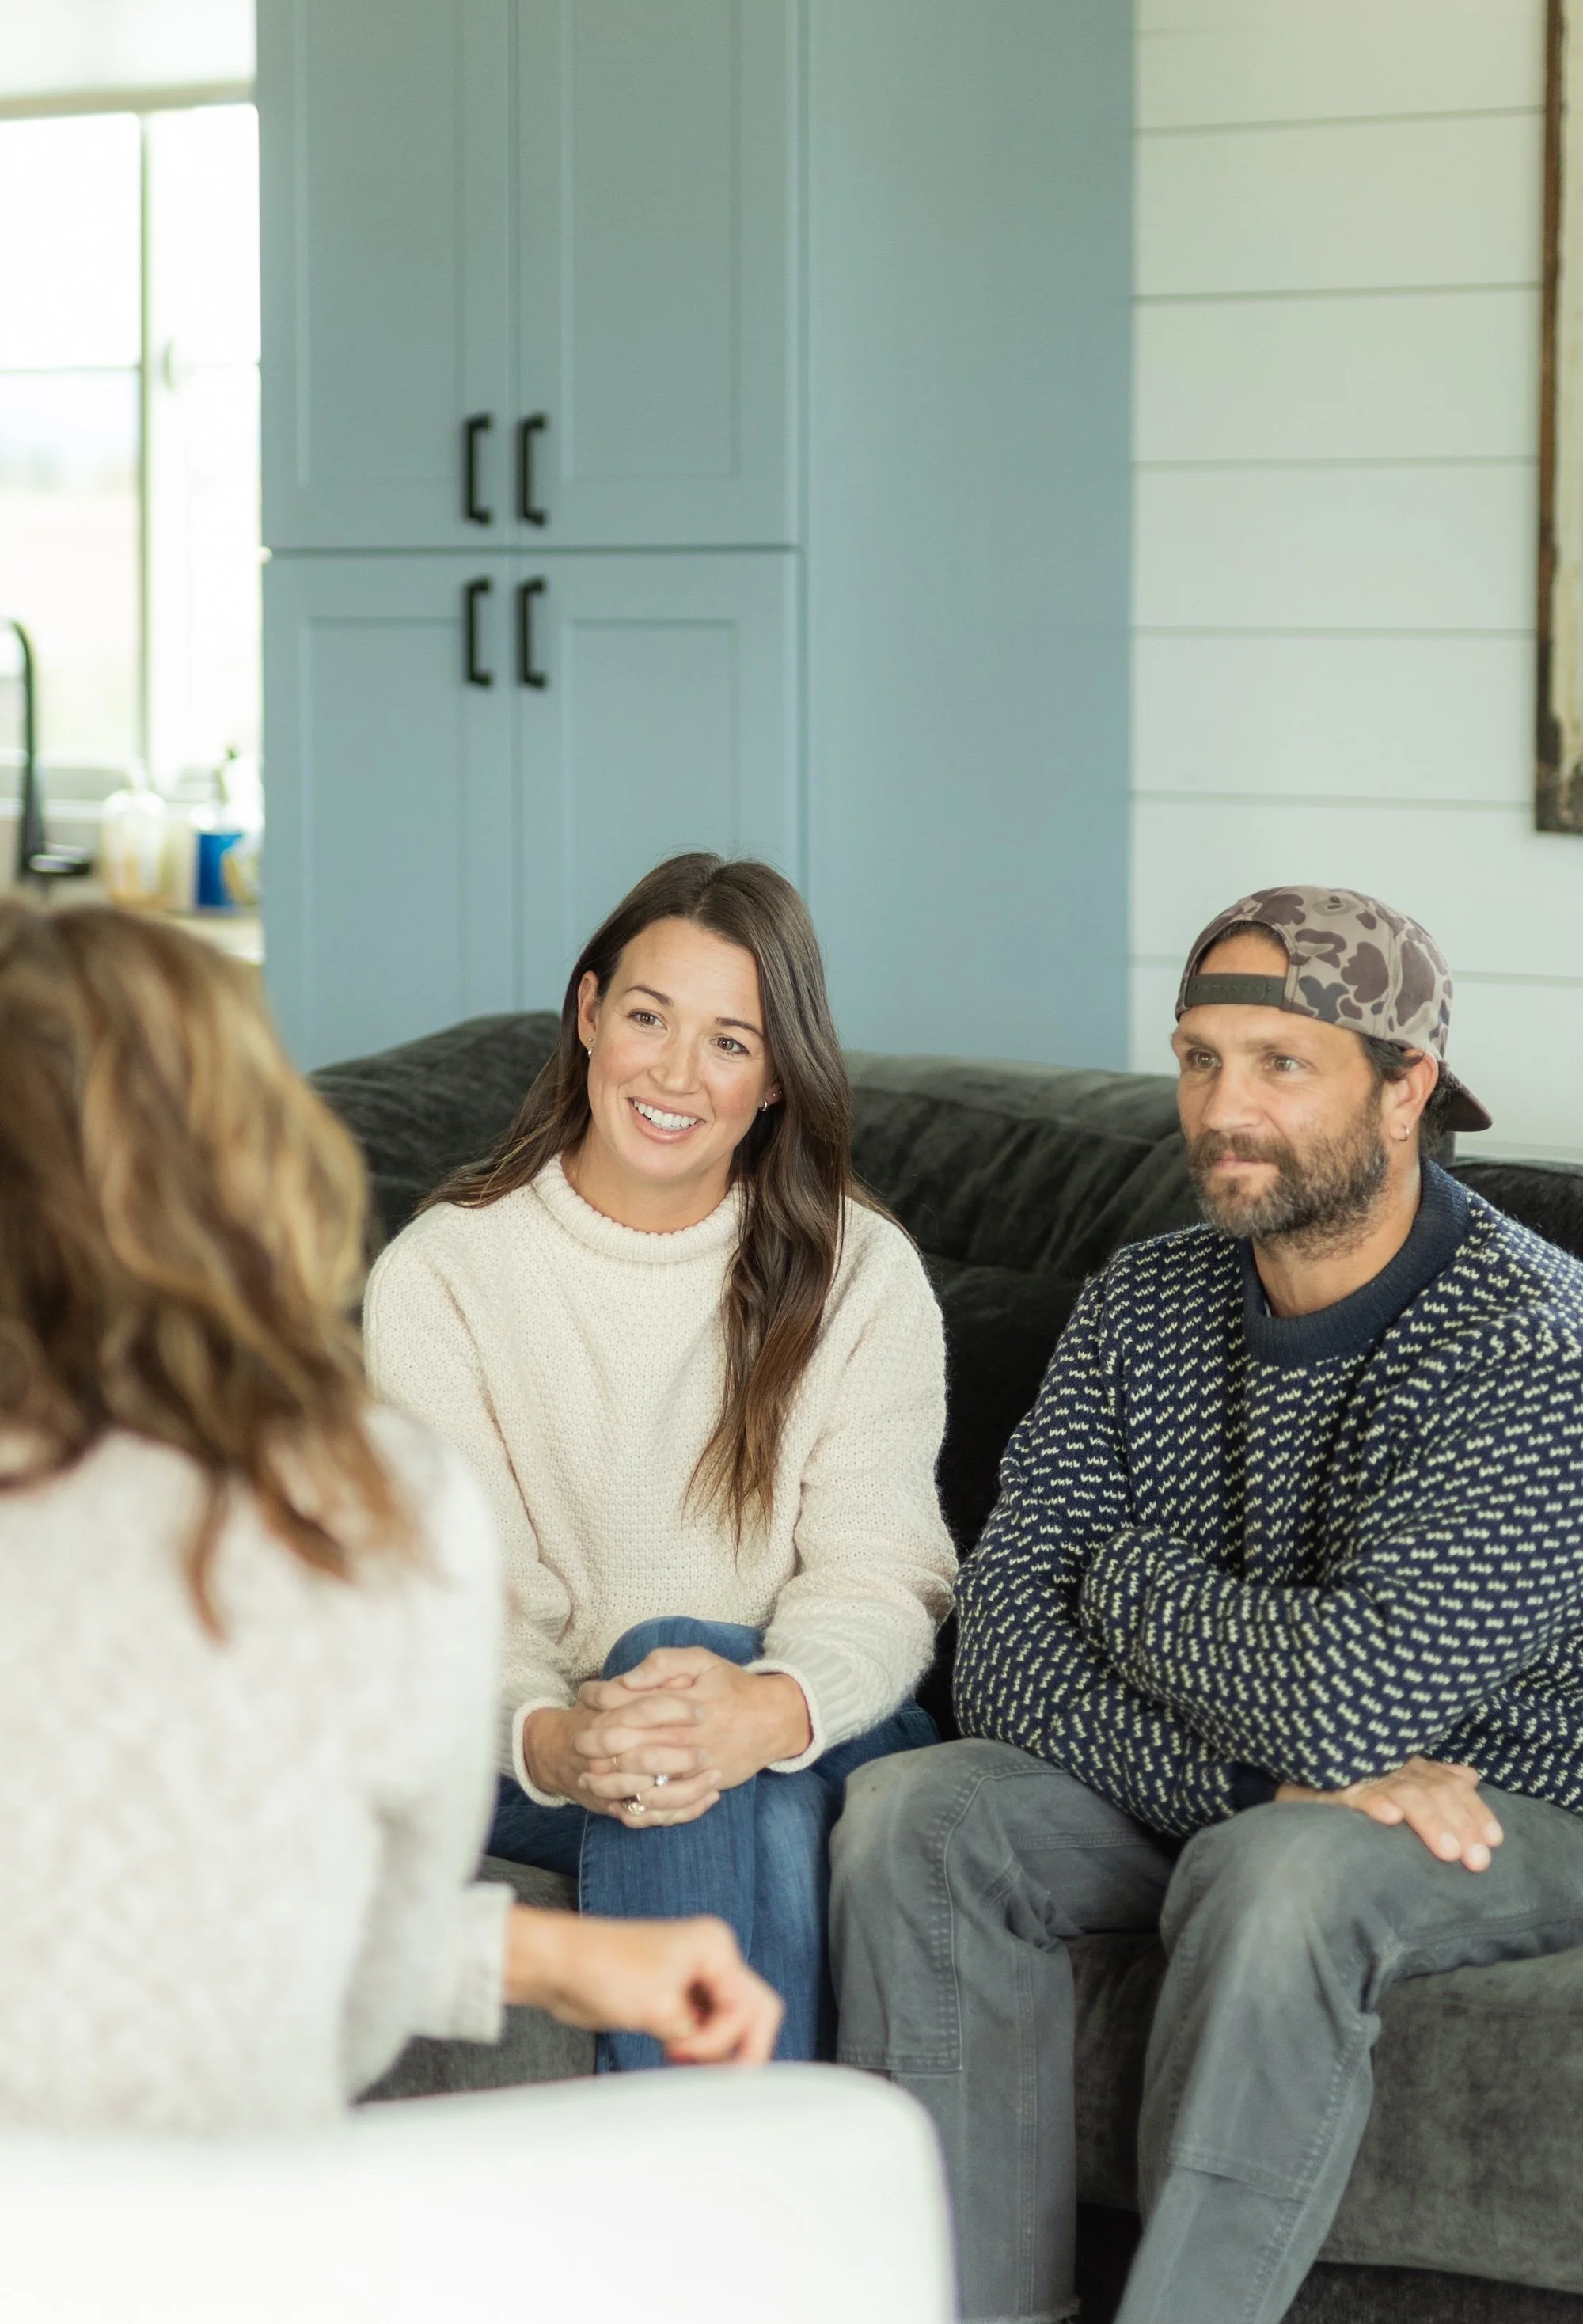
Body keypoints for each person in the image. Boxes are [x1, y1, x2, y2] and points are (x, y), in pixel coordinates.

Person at [829, 887, 1583, 2324]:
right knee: (919, 1812)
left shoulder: (1536, 1349)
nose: (1224, 1109)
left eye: (1281, 1065)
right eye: (1198, 1059)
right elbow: (995, 1655)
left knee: (1284, 1871)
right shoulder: (1142, 1300)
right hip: (1264, 1788)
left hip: (1514, 1815)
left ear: (1408, 1087)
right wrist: (1251, 1774)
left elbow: (1354, 1700)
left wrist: (1116, 1578)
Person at [0, 901, 779, 2133]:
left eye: (732, 1040)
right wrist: (546, 1954)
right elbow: (320, 1973)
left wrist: (555, 1958)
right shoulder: (372, 1500)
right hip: (224, 2226)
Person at [364, 852, 955, 2068]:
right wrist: (549, 1739)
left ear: (779, 1076)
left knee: (702, 1722)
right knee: (684, 1748)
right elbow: (458, 1613)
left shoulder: (861, 1274)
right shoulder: (443, 1277)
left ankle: (691, 2222)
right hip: (546, 1751)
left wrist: (764, 1708)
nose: (677, 1074)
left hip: (820, 1721)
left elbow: (880, 1580)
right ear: (589, 1016)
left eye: (731, 1042)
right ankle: (763, 2223)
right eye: (648, 1018)